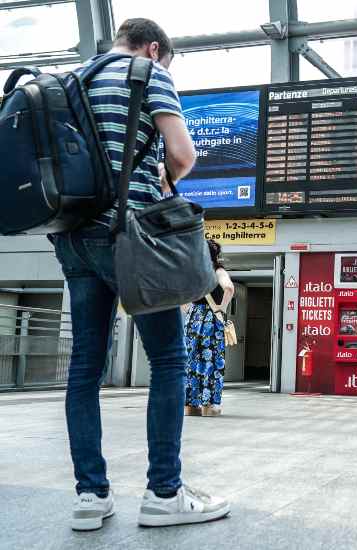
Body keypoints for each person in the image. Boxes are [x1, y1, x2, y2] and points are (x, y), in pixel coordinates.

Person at [51, 18, 230, 531]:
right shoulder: (148, 72)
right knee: (170, 359)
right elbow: (182, 154)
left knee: (86, 365)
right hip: (131, 236)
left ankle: (90, 495)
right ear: (154, 48)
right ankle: (163, 493)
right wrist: (168, 177)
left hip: (73, 238)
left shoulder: (72, 80)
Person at [184, 240, 235, 417]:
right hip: (210, 320)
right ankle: (210, 407)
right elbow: (229, 288)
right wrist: (222, 307)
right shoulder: (218, 271)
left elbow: (184, 299)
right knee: (211, 360)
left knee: (191, 360)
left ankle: (191, 406)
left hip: (193, 318)